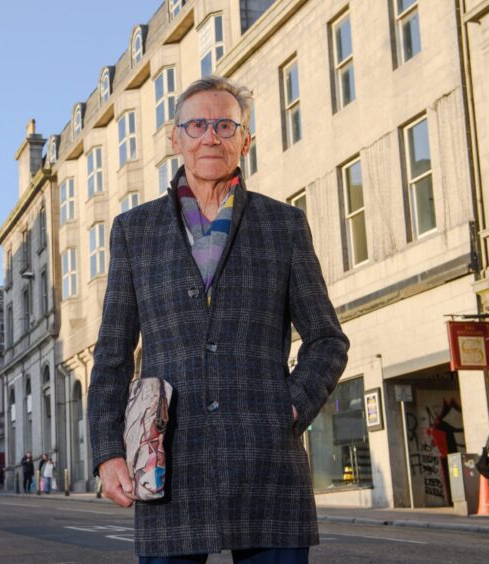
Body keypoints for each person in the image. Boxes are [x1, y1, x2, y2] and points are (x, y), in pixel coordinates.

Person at [88, 76, 349, 563]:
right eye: (198, 125)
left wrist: (289, 407)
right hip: (168, 468)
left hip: (268, 465)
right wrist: (108, 452)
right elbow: (112, 353)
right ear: (176, 138)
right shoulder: (134, 231)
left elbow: (327, 340)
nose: (212, 136)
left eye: (225, 125)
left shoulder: (284, 225)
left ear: (245, 140)